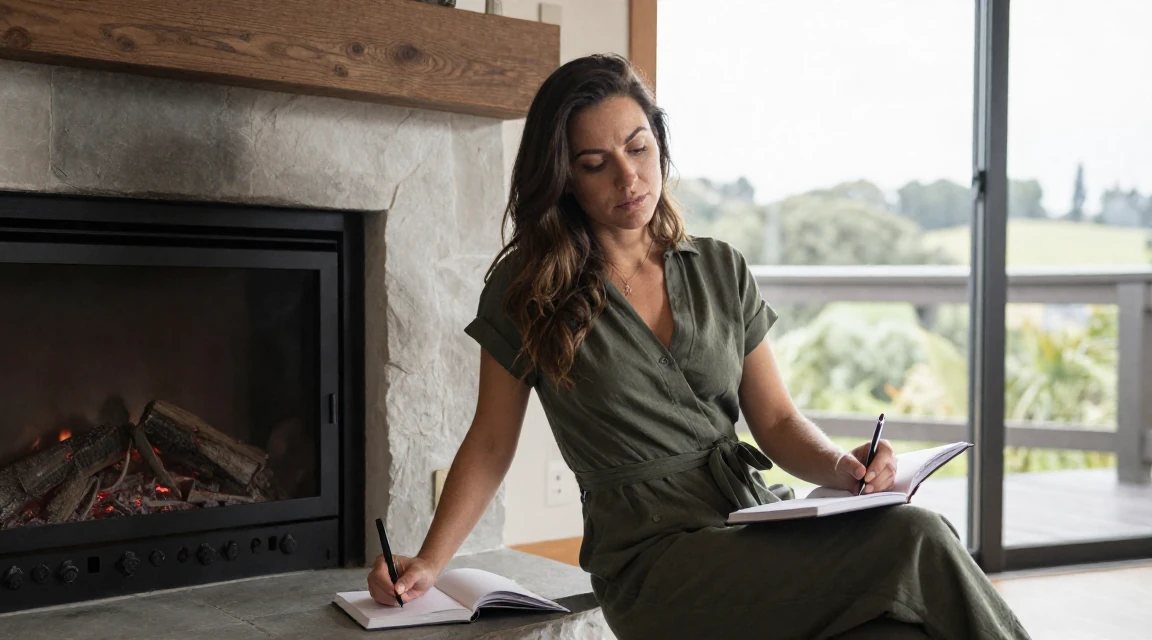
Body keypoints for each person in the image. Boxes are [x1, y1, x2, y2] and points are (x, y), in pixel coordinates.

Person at [368, 53, 1030, 639]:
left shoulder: (720, 267)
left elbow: (777, 420)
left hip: (753, 523)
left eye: (638, 149)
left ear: (659, 143)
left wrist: (841, 467)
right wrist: (429, 561)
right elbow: (491, 442)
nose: (628, 177)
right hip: (654, 562)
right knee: (917, 537)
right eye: (595, 164)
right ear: (565, 177)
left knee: (898, 628)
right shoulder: (529, 288)